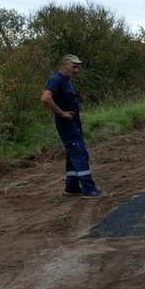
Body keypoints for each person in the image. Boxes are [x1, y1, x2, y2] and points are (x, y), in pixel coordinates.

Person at [40, 54, 107, 199]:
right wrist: (62, 113)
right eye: (74, 66)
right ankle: (89, 189)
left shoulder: (67, 81)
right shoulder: (56, 79)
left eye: (77, 67)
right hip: (66, 124)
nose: (76, 70)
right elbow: (45, 98)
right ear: (64, 64)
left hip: (73, 123)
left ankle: (71, 187)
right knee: (80, 154)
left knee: (72, 154)